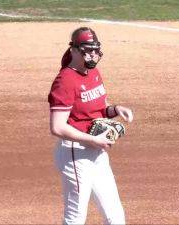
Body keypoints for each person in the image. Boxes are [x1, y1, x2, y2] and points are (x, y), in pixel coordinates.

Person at [48, 27, 133, 225]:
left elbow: (98, 107)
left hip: (96, 151)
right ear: (74, 50)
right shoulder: (65, 81)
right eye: (87, 50)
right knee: (76, 216)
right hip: (75, 154)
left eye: (95, 50)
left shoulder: (93, 72)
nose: (93, 54)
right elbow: (57, 127)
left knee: (115, 216)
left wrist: (115, 109)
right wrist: (93, 139)